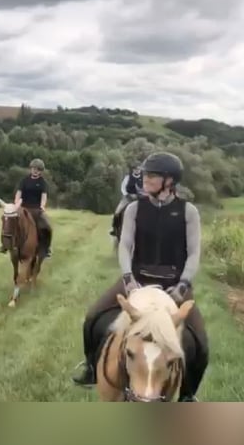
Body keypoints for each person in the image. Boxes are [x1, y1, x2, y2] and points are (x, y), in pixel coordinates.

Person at [72, 152, 209, 402]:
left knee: (199, 342)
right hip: (137, 280)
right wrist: (128, 280)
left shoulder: (188, 212)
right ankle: (91, 367)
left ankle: (187, 394)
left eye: (152, 175)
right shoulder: (134, 208)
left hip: (174, 285)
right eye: (145, 174)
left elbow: (194, 253)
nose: (145, 178)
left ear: (169, 181)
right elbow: (124, 246)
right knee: (92, 317)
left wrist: (183, 285)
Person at [0, 158, 52, 257]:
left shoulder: (42, 182)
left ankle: (46, 248)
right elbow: (18, 194)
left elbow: (44, 196)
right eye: (33, 168)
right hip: (23, 207)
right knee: (8, 222)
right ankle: (4, 245)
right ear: (30, 169)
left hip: (36, 209)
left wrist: (42, 206)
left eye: (38, 169)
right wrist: (16, 205)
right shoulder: (24, 181)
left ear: (41, 171)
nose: (35, 170)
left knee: (47, 226)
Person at [110, 164, 145, 237]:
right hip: (128, 197)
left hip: (140, 197)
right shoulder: (128, 177)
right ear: (133, 170)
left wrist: (142, 195)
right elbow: (123, 187)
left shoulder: (144, 178)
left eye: (138, 169)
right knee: (117, 211)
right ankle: (114, 228)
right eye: (135, 169)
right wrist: (127, 195)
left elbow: (146, 189)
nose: (137, 170)